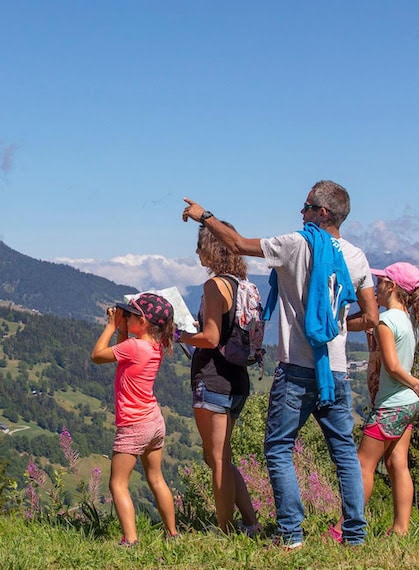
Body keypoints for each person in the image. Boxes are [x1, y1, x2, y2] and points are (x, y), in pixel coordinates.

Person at [182, 180, 379, 549]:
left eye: (305, 206)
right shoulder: (356, 256)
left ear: (322, 213)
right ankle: (355, 535)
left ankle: (292, 535)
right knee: (344, 454)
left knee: (277, 448)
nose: (300, 212)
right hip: (335, 369)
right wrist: (335, 326)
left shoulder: (296, 244)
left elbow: (239, 244)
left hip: (296, 368)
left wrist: (203, 216)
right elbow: (370, 316)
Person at [331, 262, 419, 540]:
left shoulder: (386, 322)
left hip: (391, 404)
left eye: (379, 282)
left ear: (391, 287)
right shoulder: (409, 320)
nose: (374, 287)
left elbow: (392, 366)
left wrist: (415, 382)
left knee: (362, 464)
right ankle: (401, 529)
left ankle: (343, 528)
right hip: (408, 404)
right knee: (397, 464)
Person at [176, 223, 262, 536]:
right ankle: (250, 523)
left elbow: (211, 338)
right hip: (237, 379)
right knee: (220, 457)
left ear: (212, 249)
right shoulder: (243, 285)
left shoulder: (214, 287)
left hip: (212, 379)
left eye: (200, 246)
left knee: (218, 460)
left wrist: (178, 333)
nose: (197, 252)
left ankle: (226, 530)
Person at [91, 292, 179, 546]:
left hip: (133, 424)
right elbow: (124, 351)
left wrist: (110, 326)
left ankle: (130, 540)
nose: (125, 318)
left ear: (142, 322)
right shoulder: (155, 346)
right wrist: (123, 329)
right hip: (154, 421)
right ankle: (172, 534)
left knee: (117, 484)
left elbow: (97, 356)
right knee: (156, 478)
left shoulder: (133, 347)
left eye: (130, 315)